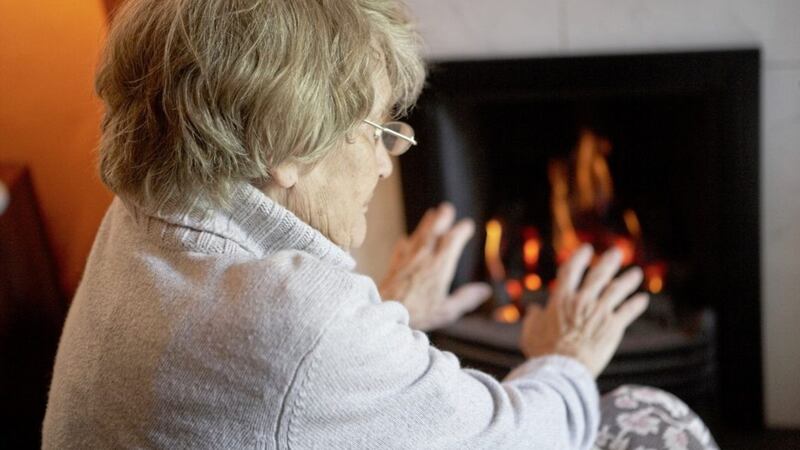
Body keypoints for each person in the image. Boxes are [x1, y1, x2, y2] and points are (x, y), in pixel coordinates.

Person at [42, 0, 718, 448]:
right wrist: (564, 354)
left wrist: (389, 314)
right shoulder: (297, 317)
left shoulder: (143, 216)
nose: (387, 164)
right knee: (652, 419)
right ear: (284, 148)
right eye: (376, 130)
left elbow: (272, 398)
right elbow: (517, 440)